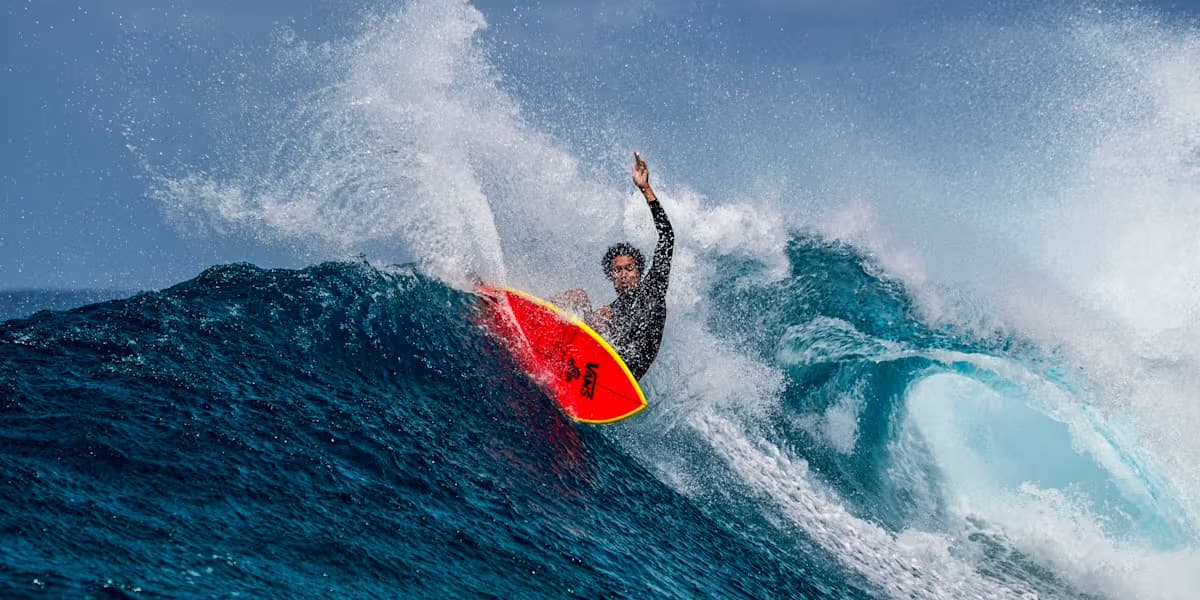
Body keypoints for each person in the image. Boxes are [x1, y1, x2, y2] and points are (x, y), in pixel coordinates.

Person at [555, 151, 674, 380]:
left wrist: (645, 189)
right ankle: (542, 324)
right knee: (579, 297)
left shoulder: (653, 288)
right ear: (611, 276)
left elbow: (667, 237)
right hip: (600, 363)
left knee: (604, 315)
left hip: (626, 371)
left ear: (639, 271)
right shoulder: (615, 307)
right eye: (617, 270)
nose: (623, 275)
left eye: (629, 268)